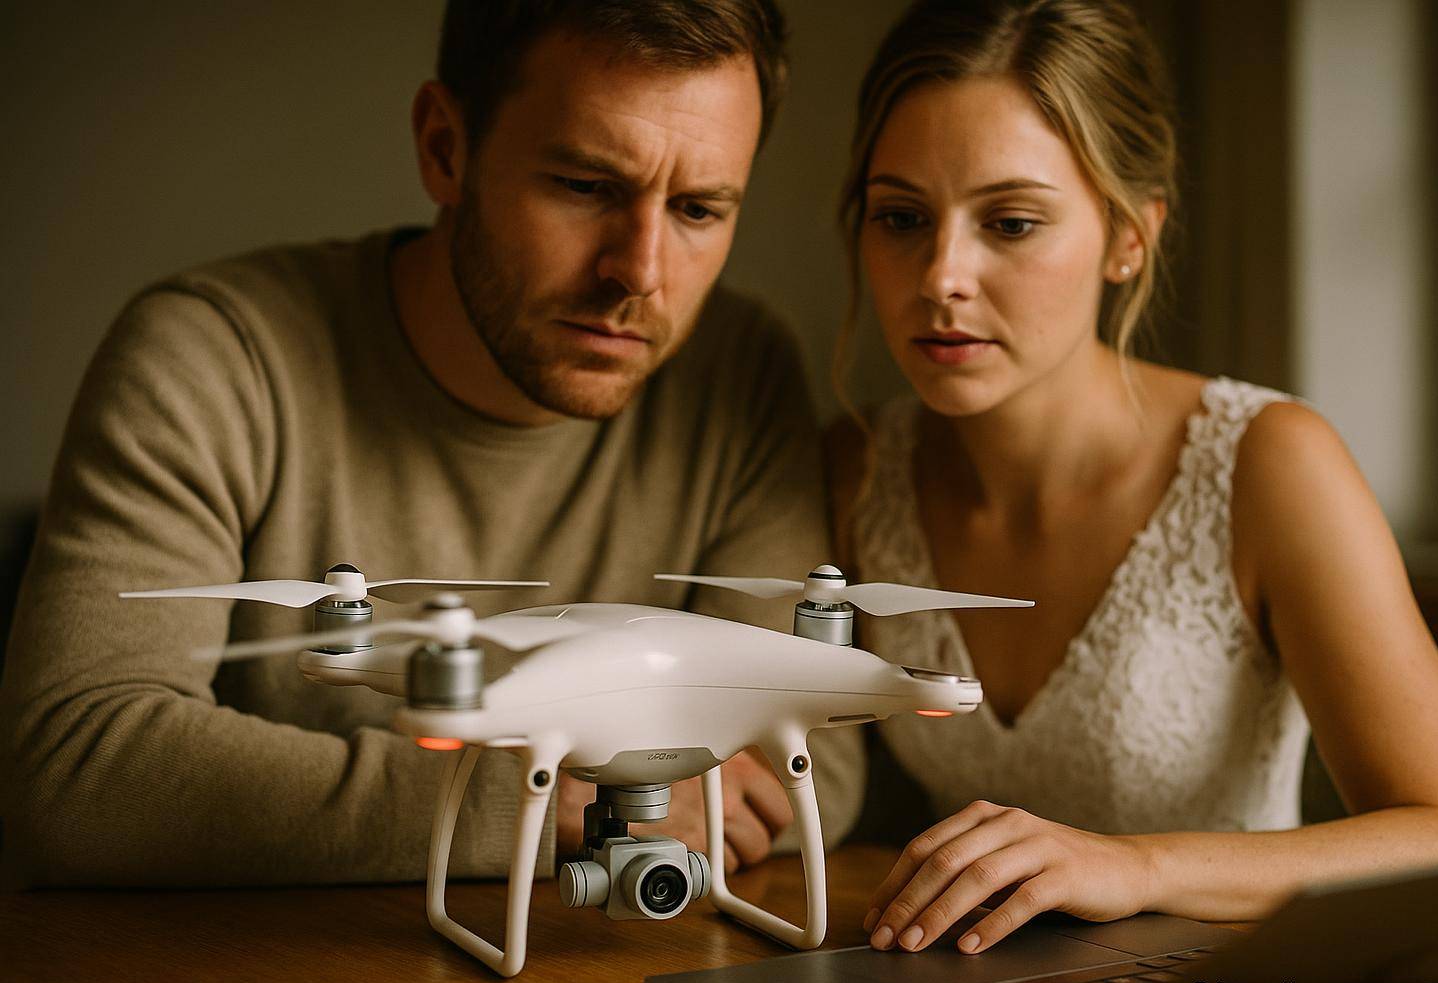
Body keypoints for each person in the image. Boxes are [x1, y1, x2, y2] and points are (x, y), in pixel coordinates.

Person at [0, 0, 863, 888]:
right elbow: (77, 768)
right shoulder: (213, 356)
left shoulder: (739, 370)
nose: (639, 273)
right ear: (445, 148)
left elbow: (809, 762)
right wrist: (548, 799)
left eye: (697, 209)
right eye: (585, 186)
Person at [825, 0, 1438, 957]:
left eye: (1011, 222)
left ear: (1129, 237)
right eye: (901, 217)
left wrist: (1135, 866)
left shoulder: (1269, 461)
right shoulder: (855, 467)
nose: (941, 274)